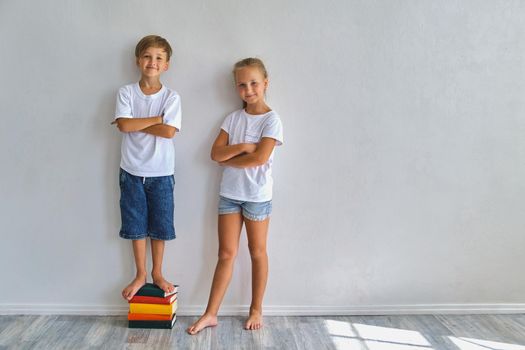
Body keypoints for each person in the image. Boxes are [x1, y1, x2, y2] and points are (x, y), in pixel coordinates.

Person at [187, 58, 283, 334]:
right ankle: (210, 313)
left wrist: (232, 158)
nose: (248, 89)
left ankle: (256, 308)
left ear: (265, 83)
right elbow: (215, 154)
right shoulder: (233, 118)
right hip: (229, 195)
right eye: (242, 84)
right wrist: (242, 147)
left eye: (254, 83)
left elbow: (260, 158)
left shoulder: (271, 120)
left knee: (257, 252)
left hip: (256, 196)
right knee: (226, 253)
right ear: (236, 88)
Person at [111, 35, 181, 300]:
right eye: (148, 56)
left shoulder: (172, 97)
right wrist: (156, 119)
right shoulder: (126, 92)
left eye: (159, 58)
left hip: (162, 173)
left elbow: (169, 132)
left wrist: (134, 122)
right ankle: (140, 273)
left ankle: (157, 273)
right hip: (131, 172)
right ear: (138, 60)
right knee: (136, 225)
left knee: (160, 226)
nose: (152, 62)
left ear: (166, 65)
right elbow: (124, 126)